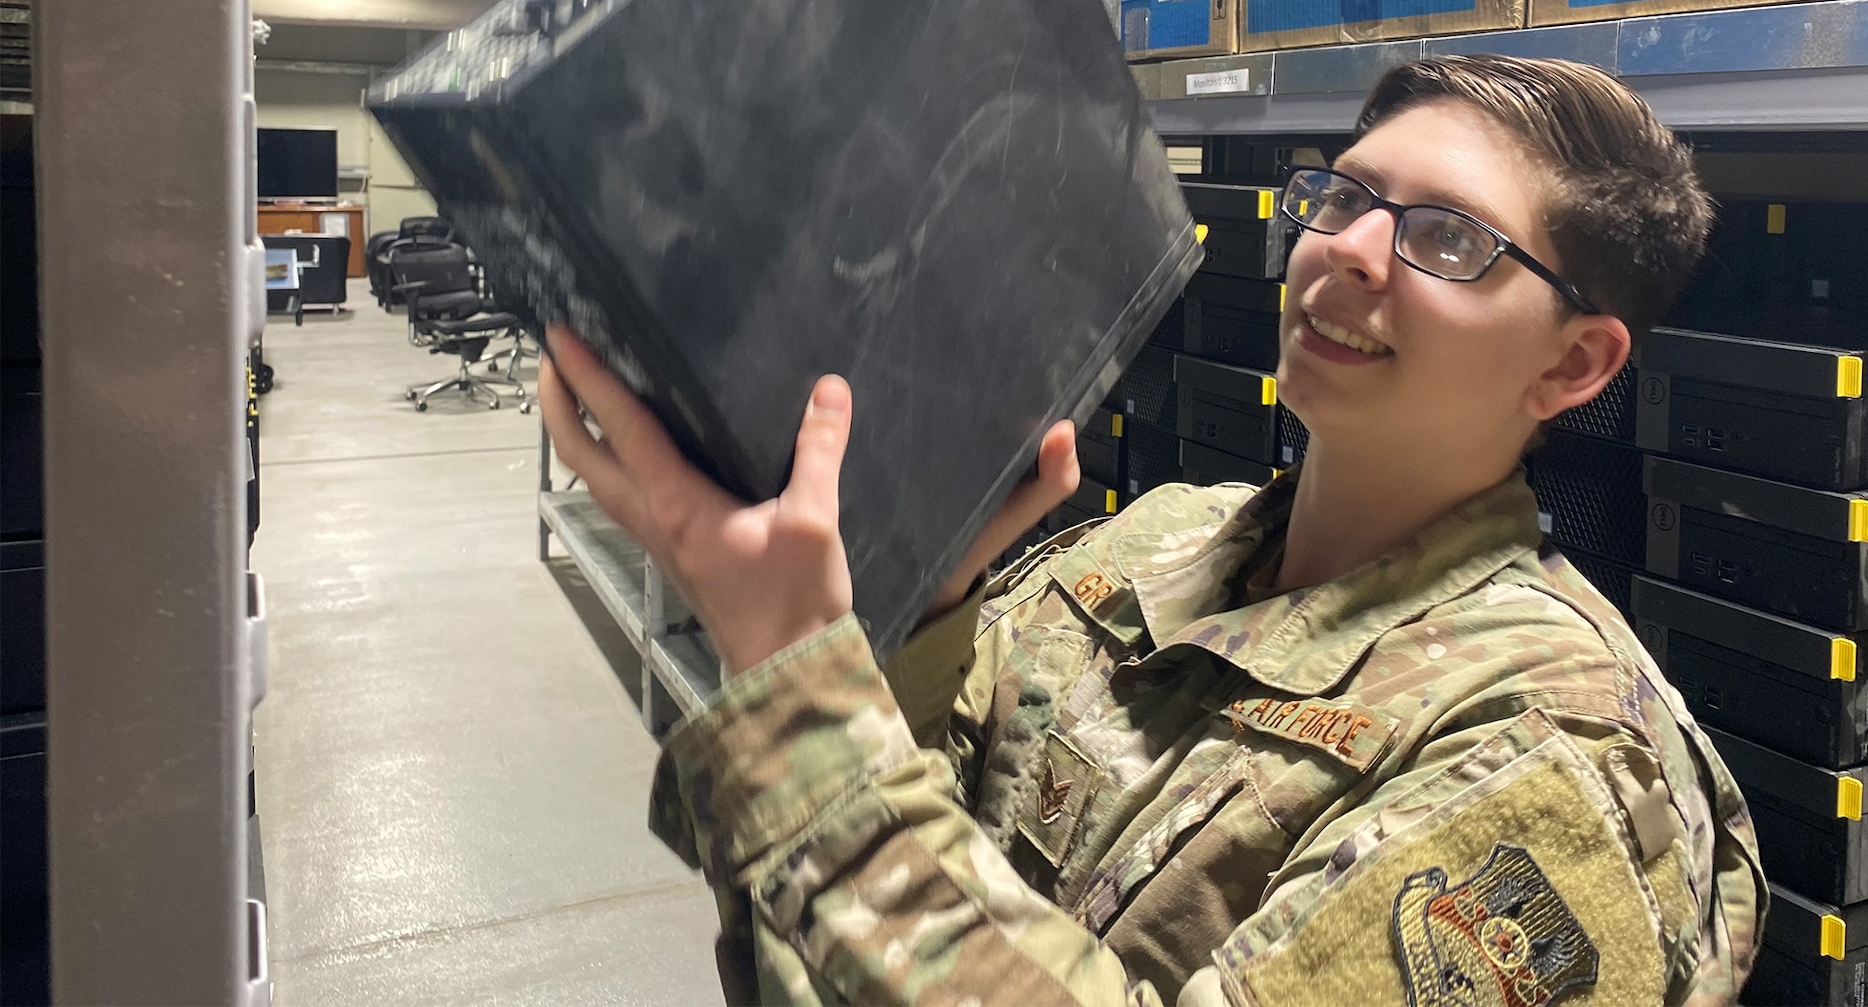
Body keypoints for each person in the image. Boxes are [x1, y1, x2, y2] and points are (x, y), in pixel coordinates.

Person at [540, 54, 1767, 1006]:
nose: (1345, 252)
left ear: (1573, 365)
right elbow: (832, 874)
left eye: (1450, 240)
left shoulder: (1563, 752)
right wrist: (896, 620)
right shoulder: (1153, 545)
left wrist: (807, 703)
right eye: (1343, 197)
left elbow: (838, 823)